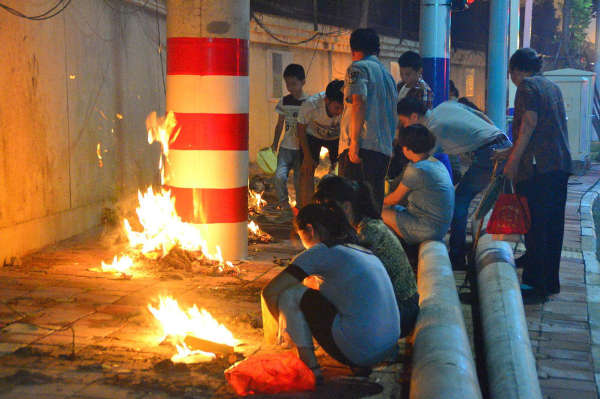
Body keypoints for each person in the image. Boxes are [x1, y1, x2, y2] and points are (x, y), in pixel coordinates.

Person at [261, 204, 400, 382]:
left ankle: (310, 369)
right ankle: (357, 360)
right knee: (309, 290)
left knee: (290, 294)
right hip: (387, 346)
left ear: (309, 229)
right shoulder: (358, 249)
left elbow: (271, 291)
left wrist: (288, 329)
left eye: (299, 235)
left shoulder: (321, 251)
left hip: (362, 349)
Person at [396, 97, 511, 270]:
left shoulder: (432, 129)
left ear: (413, 117)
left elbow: (419, 161)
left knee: (460, 202)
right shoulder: (444, 106)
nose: (404, 127)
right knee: (462, 199)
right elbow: (481, 115)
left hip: (490, 153)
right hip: (500, 141)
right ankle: (459, 251)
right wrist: (491, 132)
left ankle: (457, 257)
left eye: (403, 122)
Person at [501, 48, 571, 303]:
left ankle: (534, 284)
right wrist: (509, 151)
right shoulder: (552, 87)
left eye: (511, 72)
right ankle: (550, 282)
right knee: (553, 227)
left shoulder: (527, 87)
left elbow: (529, 124)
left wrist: (512, 160)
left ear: (518, 70)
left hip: (538, 169)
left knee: (535, 225)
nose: (511, 77)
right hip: (559, 166)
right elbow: (544, 129)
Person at [313, 175, 419, 337]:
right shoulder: (365, 226)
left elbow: (346, 283)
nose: (326, 218)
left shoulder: (367, 233)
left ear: (346, 207)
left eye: (329, 210)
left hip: (400, 314)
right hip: (399, 309)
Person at [338, 28, 398, 212]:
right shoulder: (388, 76)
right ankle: (372, 240)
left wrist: (354, 143)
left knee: (350, 203)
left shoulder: (358, 68)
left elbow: (358, 103)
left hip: (361, 147)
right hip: (382, 149)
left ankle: (354, 241)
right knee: (373, 204)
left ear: (353, 49)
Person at [382, 124, 454, 245]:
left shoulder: (417, 170)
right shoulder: (435, 163)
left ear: (407, 148)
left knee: (378, 213)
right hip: (440, 227)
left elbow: (394, 199)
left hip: (427, 228)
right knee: (388, 209)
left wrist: (374, 202)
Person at [297, 80, 345, 207]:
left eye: (342, 108)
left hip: (336, 138)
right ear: (326, 100)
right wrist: (307, 157)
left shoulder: (349, 105)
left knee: (344, 170)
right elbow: (300, 129)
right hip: (313, 136)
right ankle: (307, 209)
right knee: (307, 170)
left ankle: (338, 207)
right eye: (336, 108)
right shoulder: (311, 105)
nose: (340, 112)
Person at [271, 64, 309, 211]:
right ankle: (284, 204)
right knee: (279, 176)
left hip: (301, 148)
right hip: (286, 147)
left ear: (303, 82)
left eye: (294, 83)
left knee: (299, 180)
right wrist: (274, 144)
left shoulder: (309, 103)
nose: (290, 87)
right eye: (288, 84)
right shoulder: (284, 101)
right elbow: (279, 124)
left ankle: (299, 208)